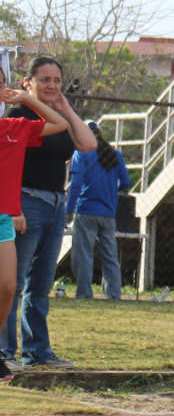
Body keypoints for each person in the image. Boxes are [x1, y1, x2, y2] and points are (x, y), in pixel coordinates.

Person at [3, 56, 96, 368]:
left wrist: (66, 108)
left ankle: (38, 352)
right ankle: (5, 352)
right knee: (12, 283)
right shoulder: (18, 114)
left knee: (41, 285)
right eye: (44, 80)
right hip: (26, 203)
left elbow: (88, 144)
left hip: (56, 204)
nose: (51, 86)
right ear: (26, 82)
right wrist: (14, 208)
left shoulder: (58, 116)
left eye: (56, 80)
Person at [0, 76, 70, 382]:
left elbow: (59, 124)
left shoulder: (13, 127)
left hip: (2, 218)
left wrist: (27, 99)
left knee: (7, 287)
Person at [65, 121, 131, 300]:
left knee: (84, 254)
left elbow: (76, 184)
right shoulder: (115, 154)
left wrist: (69, 209)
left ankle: (85, 294)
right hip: (108, 212)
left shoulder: (82, 152)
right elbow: (126, 182)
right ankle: (113, 295)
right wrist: (111, 191)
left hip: (86, 210)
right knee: (110, 256)